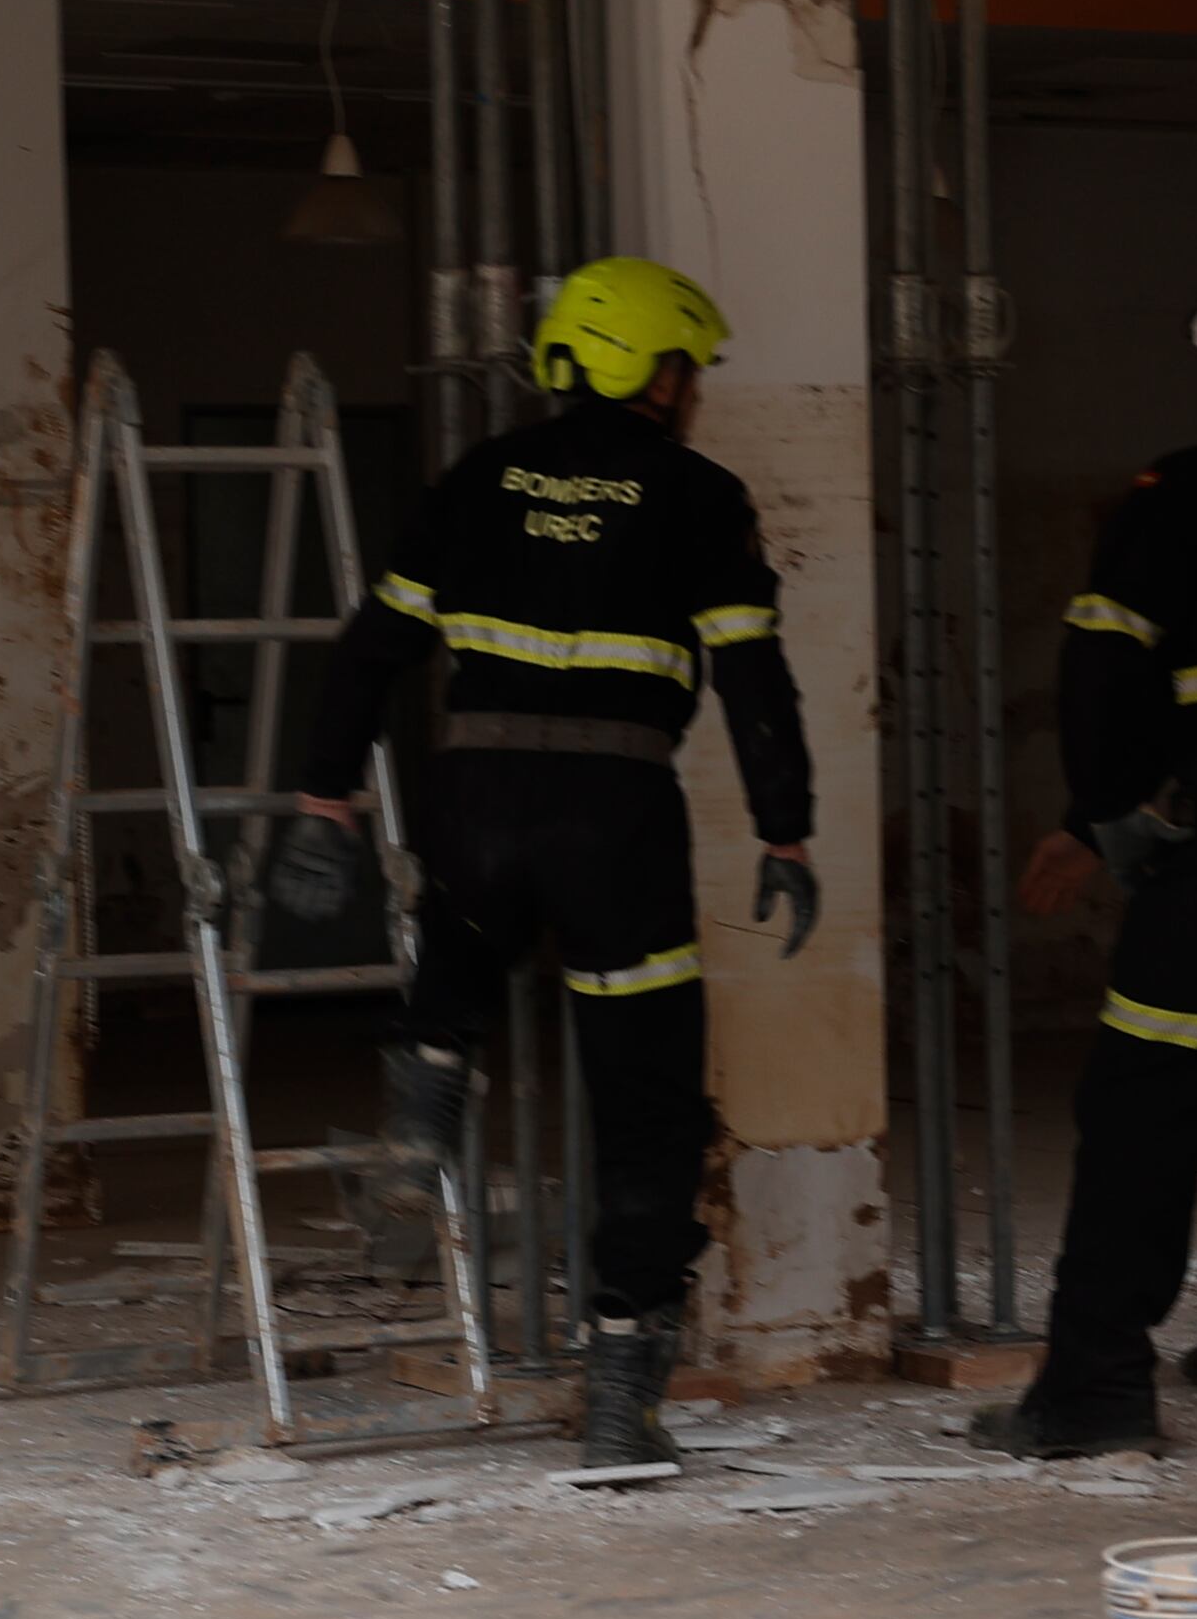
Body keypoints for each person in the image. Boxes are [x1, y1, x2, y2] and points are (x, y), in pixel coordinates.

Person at [270, 257, 819, 1475]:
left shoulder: (477, 478)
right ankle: (620, 1393)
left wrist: (323, 800)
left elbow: (371, 650)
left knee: (462, 942)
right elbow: (753, 678)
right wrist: (785, 828)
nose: (692, 389)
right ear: (656, 372)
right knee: (645, 1104)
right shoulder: (699, 494)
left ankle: (424, 1101)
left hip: (474, 800)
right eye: (687, 368)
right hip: (615, 820)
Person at [986, 223, 1197, 1462]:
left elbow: (1102, 682)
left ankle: (1095, 1393)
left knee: (1141, 1115)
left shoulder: (1176, 498)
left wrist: (1102, 820)